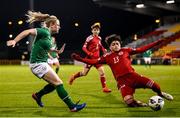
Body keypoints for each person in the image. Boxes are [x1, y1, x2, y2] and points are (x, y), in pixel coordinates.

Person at [7, 11, 86, 112]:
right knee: (59, 83)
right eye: (58, 25)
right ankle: (72, 107)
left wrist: (55, 51)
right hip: (37, 64)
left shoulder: (48, 36)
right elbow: (27, 32)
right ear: (52, 25)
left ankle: (37, 95)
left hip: (41, 63)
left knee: (54, 86)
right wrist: (15, 40)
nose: (59, 27)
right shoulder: (44, 31)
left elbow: (44, 47)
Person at [71, 34, 173, 107]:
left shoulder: (126, 50)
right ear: (110, 47)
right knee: (128, 101)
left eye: (117, 43)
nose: (115, 45)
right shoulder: (107, 56)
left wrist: (157, 42)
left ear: (120, 44)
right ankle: (140, 104)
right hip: (122, 82)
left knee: (156, 86)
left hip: (134, 77)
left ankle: (160, 94)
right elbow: (94, 61)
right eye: (113, 44)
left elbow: (142, 49)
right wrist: (80, 59)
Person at [68, 22, 111, 93]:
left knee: (102, 72)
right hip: (89, 59)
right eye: (94, 30)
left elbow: (100, 46)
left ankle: (104, 88)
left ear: (99, 31)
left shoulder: (99, 38)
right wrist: (89, 53)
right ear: (92, 31)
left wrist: (104, 50)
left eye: (97, 30)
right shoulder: (89, 38)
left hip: (97, 59)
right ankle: (73, 77)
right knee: (84, 73)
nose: (96, 31)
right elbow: (83, 47)